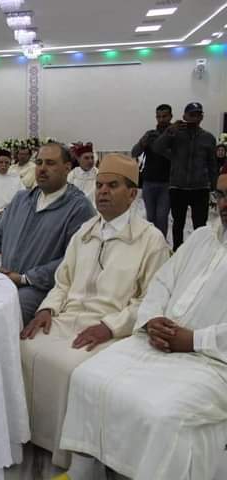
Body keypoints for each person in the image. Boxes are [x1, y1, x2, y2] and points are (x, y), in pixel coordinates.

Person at [57, 173, 227, 480]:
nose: (225, 204)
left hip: (214, 362)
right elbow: (162, 282)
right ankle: (83, 471)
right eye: (222, 195)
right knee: (86, 377)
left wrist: (194, 340)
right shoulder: (202, 236)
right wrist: (151, 319)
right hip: (157, 341)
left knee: (162, 413)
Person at [19, 154, 170, 470]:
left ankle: (64, 454)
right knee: (20, 349)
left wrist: (110, 327)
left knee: (70, 367)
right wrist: (47, 309)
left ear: (132, 194)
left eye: (112, 186)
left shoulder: (151, 240)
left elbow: (151, 301)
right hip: (66, 318)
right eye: (99, 185)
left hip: (111, 330)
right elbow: (63, 281)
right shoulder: (85, 232)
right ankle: (25, 436)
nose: (102, 191)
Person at [0, 143, 95, 323]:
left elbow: (74, 259)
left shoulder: (78, 207)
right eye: (39, 163)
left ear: (67, 168)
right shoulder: (21, 199)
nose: (42, 169)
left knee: (5, 315)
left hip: (39, 288)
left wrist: (24, 278)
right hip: (2, 278)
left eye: (50, 163)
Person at [153, 102, 218, 249]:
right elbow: (157, 148)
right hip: (178, 187)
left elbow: (213, 165)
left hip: (200, 188)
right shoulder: (175, 134)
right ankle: (178, 252)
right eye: (191, 115)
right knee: (178, 224)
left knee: (200, 226)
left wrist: (215, 190)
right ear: (184, 116)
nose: (194, 118)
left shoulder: (208, 138)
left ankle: (199, 253)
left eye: (198, 115)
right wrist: (170, 131)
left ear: (202, 117)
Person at [131, 104, 173, 237]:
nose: (161, 119)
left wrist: (159, 146)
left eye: (164, 116)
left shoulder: (175, 135)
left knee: (162, 217)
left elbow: (176, 157)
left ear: (170, 116)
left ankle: (161, 245)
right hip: (148, 182)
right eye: (159, 117)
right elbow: (134, 152)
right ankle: (151, 244)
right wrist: (142, 143)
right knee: (150, 218)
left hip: (166, 183)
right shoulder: (150, 134)